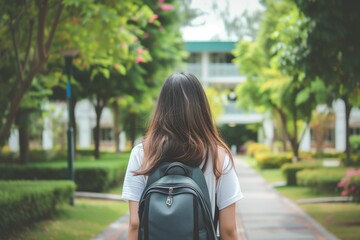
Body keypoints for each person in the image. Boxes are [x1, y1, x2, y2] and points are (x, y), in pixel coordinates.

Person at [122, 72, 243, 240]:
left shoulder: (142, 153)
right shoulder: (218, 156)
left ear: (161, 107)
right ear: (201, 108)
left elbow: (134, 224)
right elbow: (229, 230)